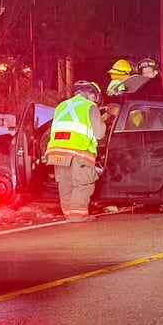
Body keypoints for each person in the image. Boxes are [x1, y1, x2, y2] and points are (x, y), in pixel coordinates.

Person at [44, 80, 107, 222]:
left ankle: (69, 214)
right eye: (96, 98)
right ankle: (77, 215)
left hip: (56, 151)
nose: (95, 101)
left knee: (65, 184)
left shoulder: (62, 106)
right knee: (85, 183)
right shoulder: (90, 107)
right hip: (78, 151)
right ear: (92, 95)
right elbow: (100, 133)